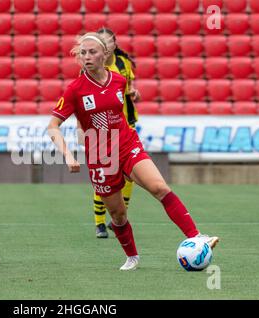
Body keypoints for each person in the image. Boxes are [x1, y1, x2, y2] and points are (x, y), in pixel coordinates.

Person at [47, 32, 218, 271]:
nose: (87, 57)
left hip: (127, 144)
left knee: (159, 187)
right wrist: (68, 155)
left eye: (92, 52)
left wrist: (133, 94)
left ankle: (197, 236)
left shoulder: (118, 79)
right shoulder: (75, 90)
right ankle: (132, 257)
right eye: (83, 53)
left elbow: (120, 99)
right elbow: (52, 126)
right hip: (100, 157)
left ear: (105, 55)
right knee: (118, 215)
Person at [89, 28, 140, 239]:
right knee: (105, 174)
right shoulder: (91, 67)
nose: (106, 45)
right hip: (102, 129)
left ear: (114, 43)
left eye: (109, 41)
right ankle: (99, 222)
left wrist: (134, 92)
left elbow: (129, 88)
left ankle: (119, 217)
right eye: (102, 41)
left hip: (126, 124)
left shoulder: (123, 63)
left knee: (130, 175)